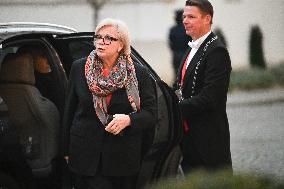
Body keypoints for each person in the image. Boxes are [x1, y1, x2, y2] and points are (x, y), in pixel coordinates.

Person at [62, 18, 157, 189]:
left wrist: (128, 120)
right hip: (84, 154)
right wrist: (65, 151)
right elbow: (69, 111)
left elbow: (151, 114)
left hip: (121, 158)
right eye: (98, 37)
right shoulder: (79, 68)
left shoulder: (138, 73)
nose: (101, 42)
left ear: (121, 45)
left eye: (108, 38)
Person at [175, 0, 232, 173]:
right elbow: (180, 86)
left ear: (207, 19)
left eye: (191, 16)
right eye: (184, 16)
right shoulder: (191, 48)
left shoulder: (217, 51)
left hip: (209, 138)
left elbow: (210, 98)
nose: (185, 20)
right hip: (188, 136)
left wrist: (174, 108)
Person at [168, 9, 191, 81]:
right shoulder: (187, 29)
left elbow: (171, 44)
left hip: (176, 55)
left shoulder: (173, 30)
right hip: (185, 55)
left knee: (177, 76)